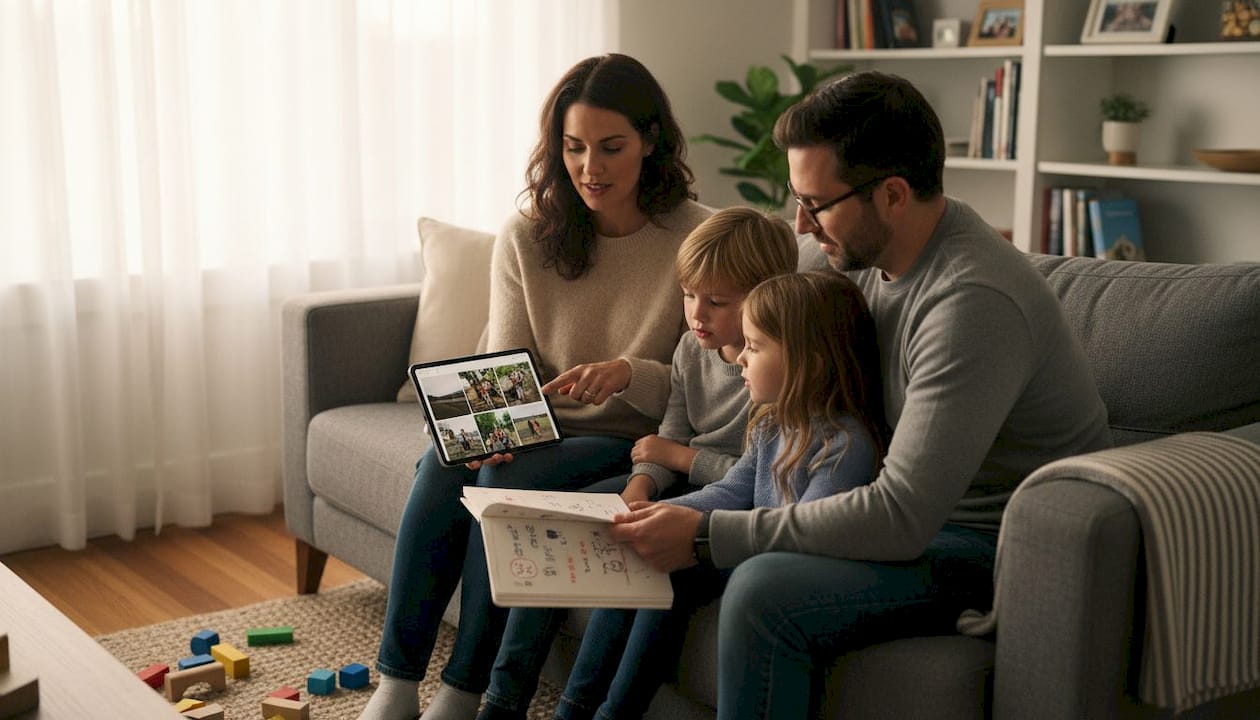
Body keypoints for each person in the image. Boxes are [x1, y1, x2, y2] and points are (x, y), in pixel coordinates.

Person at [608, 71, 1112, 720]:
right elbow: (766, 314)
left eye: (814, 205)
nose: (799, 223)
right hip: (899, 509)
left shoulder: (970, 302)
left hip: (979, 541)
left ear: (893, 195)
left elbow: (902, 515)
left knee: (760, 586)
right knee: (648, 534)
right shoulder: (869, 257)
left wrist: (708, 534)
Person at [358, 53, 713, 720]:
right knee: (444, 461)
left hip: (632, 440)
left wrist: (629, 373)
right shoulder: (529, 233)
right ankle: (397, 683)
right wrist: (489, 426)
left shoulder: (696, 235)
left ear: (651, 140)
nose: (590, 169)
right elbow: (502, 356)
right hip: (539, 429)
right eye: (574, 148)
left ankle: (466, 691)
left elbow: (708, 382)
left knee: (503, 485)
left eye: (611, 148)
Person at [473, 207, 807, 720]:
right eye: (689, 295)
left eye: (716, 302)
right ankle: (502, 698)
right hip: (681, 488)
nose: (697, 314)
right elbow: (670, 428)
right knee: (571, 519)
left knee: (636, 557)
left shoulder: (774, 370)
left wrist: (678, 458)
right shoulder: (692, 350)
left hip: (726, 507)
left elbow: (755, 479)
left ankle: (578, 707)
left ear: (768, 295)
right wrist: (640, 487)